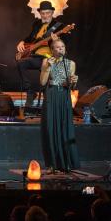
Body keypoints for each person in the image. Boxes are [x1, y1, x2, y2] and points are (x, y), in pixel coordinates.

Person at [39, 38, 79, 173]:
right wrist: (47, 68)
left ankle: (66, 162)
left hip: (64, 96)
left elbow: (70, 85)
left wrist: (73, 82)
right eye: (57, 47)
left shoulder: (71, 63)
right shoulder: (46, 61)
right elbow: (42, 82)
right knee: (50, 128)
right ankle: (52, 163)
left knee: (64, 127)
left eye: (62, 46)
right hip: (51, 95)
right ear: (52, 50)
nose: (60, 49)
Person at [16, 0, 64, 108]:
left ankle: (48, 102)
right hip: (36, 57)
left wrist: (55, 41)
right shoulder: (37, 24)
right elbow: (31, 38)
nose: (45, 15)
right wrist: (22, 41)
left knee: (46, 68)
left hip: (50, 57)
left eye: (48, 13)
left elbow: (63, 46)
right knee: (21, 63)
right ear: (40, 13)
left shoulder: (59, 26)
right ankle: (30, 92)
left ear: (52, 12)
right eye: (43, 13)